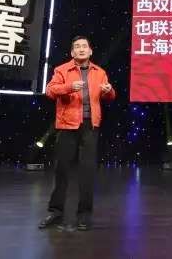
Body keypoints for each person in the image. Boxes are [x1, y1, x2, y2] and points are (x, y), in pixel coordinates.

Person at [38, 36, 115, 231]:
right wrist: (69, 87)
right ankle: (56, 211)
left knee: (87, 172)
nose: (81, 49)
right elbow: (50, 91)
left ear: (90, 51)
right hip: (67, 125)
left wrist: (109, 90)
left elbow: (110, 96)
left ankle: (84, 215)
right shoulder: (62, 70)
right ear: (72, 52)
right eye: (77, 47)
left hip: (90, 126)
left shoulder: (100, 72)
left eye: (84, 46)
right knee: (62, 169)